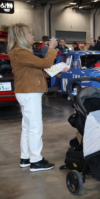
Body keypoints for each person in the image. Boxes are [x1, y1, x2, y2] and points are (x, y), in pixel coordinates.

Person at [7, 23, 63, 171]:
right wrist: (51, 48)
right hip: (29, 93)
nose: (32, 36)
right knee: (35, 128)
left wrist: (57, 70)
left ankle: (25, 158)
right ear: (22, 36)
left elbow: (36, 70)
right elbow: (45, 62)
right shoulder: (20, 52)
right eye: (30, 33)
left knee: (27, 127)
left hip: (26, 92)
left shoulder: (19, 52)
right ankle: (36, 161)